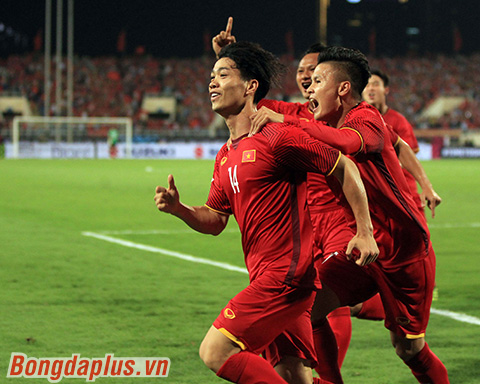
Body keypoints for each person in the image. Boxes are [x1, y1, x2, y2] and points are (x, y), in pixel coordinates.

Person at [154, 41, 379, 384]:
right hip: (266, 276)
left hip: (286, 277)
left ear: (250, 87)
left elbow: (343, 165)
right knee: (292, 375)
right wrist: (179, 209)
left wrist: (364, 231)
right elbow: (215, 219)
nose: (212, 82)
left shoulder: (277, 136)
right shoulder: (225, 155)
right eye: (212, 75)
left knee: (215, 352)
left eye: (223, 74)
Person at [284, 45, 449, 383]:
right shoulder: (316, 117)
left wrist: (426, 186)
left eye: (317, 80)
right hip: (364, 243)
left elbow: (349, 143)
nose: (308, 87)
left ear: (343, 88)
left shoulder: (367, 117)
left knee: (409, 350)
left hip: (405, 252)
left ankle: (386, 305)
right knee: (304, 310)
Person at [213, 19, 364, 379]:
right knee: (293, 363)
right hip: (292, 237)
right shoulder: (289, 115)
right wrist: (228, 60)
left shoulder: (334, 117)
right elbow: (251, 99)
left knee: (330, 309)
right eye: (302, 70)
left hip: (334, 230)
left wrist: (367, 225)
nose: (307, 76)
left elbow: (350, 158)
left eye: (316, 72)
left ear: (337, 83)